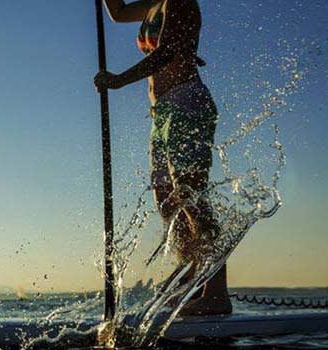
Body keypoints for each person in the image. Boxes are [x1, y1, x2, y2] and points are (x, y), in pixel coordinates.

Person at [93, 0, 231, 315]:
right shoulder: (154, 4)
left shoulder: (180, 1)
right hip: (161, 114)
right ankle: (193, 275)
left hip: (186, 103)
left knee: (190, 196)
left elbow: (166, 53)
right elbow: (117, 12)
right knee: (167, 202)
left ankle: (217, 293)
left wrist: (117, 80)